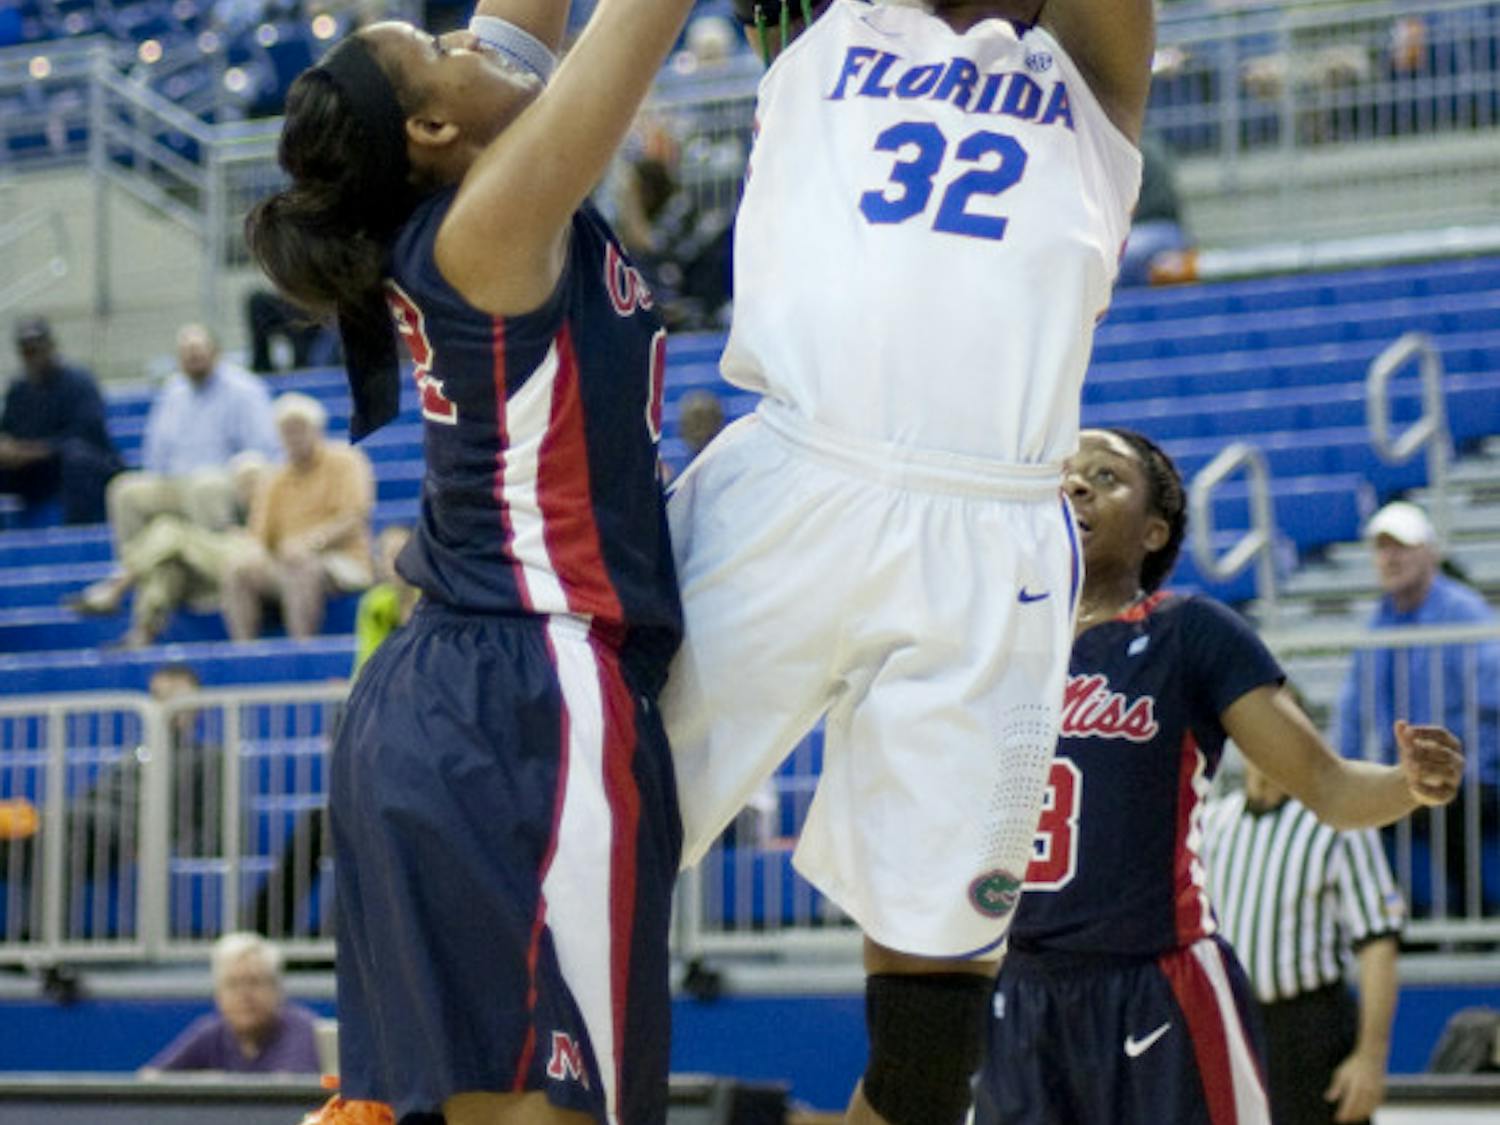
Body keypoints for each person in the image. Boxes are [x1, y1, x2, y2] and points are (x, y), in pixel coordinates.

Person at [659, 0, 1150, 1121]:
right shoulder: (818, 21)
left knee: (935, 1013)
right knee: (580, 843)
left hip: (994, 529)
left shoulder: (1092, 72)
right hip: (792, 473)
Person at [244, 0, 692, 1114]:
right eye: (445, 49)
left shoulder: (471, 196)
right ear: (435, 131)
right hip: (530, 690)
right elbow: (639, 27)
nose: (476, 46)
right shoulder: (491, 217)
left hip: (442, 702)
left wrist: (462, 59)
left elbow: (523, 26)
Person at [971, 429, 1464, 1125]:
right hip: (1020, 987)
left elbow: (1327, 787)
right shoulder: (998, 645)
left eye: (1106, 476)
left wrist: (1410, 783)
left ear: (1153, 531)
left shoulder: (1189, 632)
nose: (1077, 484)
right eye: (1067, 473)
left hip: (1158, 981)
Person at [1204, 757, 1405, 1125]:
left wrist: (1371, 1059)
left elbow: (1378, 943)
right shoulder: (1215, 823)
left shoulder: (1339, 825)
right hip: (1235, 1027)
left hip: (1310, 1031)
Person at [1334, 499, 1500, 916]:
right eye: (1382, 549)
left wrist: (1472, 764)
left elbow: (1493, 702)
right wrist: (1339, 776)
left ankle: (1473, 916)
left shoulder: (1463, 612)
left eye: (1401, 547)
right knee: (1356, 810)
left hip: (1476, 770)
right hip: (1413, 772)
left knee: (1447, 802)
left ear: (1430, 552)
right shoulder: (1378, 624)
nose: (1390, 558)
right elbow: (1353, 712)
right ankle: (1397, 920)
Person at [76, 324, 283, 610]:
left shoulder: (244, 389)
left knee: (205, 485)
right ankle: (140, 575)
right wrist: (155, 478)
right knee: (125, 490)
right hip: (175, 482)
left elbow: (264, 450)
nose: (193, 359)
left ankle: (212, 581)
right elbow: (155, 453)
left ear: (216, 352)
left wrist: (242, 476)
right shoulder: (173, 392)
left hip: (224, 481)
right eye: (186, 354)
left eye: (199, 352)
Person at [66, 451, 269, 648]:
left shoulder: (273, 505)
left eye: (253, 481)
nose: (248, 488)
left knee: (169, 530)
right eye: (242, 483)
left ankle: (117, 586)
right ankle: (142, 634)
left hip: (251, 560)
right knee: (169, 566)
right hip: (217, 565)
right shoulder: (235, 511)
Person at [220, 393, 375, 641]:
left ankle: (301, 646)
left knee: (301, 564)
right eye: (286, 432)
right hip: (285, 561)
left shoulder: (346, 461)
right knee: (238, 570)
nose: (293, 437)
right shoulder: (275, 479)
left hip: (342, 560)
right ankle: (245, 651)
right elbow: (259, 535)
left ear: (317, 430)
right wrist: (252, 555)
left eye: (299, 429)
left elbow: (354, 516)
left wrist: (312, 542)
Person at [0, 316, 122, 525]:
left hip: (82, 468)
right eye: (26, 351)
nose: (33, 357)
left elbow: (88, 435)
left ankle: (77, 539)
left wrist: (37, 451)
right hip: (36, 473)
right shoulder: (18, 390)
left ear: (51, 346)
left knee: (77, 459)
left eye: (37, 349)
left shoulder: (79, 382)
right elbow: (8, 432)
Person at [142, 931, 321, 1073]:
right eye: (233, 984)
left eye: (254, 982)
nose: (245, 994)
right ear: (218, 994)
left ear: (277, 989)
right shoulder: (211, 1033)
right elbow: (150, 1081)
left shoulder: (306, 1032)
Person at [352, 524, 419, 675]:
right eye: (390, 556)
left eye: (403, 553)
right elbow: (366, 663)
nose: (397, 562)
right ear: (380, 564)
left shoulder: (434, 599)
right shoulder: (374, 604)